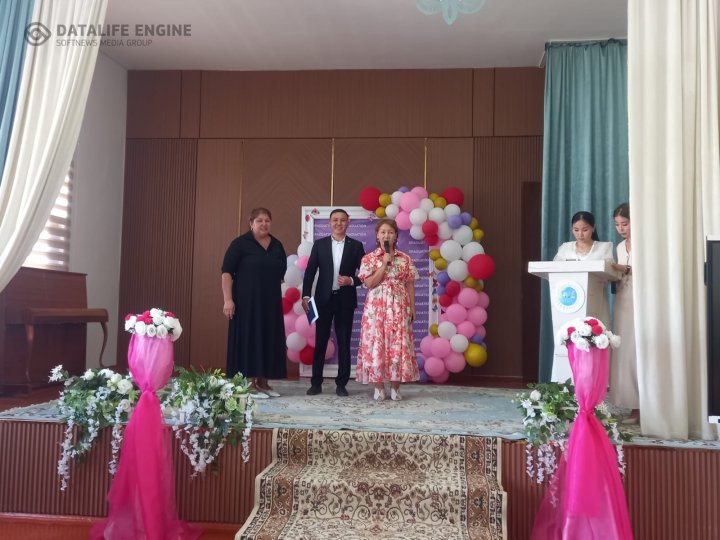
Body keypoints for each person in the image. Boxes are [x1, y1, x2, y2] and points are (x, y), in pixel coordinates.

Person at [221, 207, 287, 398]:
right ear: (251, 223)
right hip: (246, 303)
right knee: (250, 339)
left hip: (270, 303)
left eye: (267, 220)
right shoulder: (240, 244)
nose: (264, 224)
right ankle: (249, 384)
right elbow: (226, 273)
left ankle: (263, 383)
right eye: (259, 220)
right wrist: (228, 300)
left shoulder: (277, 245)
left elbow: (280, 272)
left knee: (269, 338)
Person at [302, 209, 365, 397]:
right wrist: (306, 296)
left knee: (344, 342)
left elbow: (365, 274)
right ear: (329, 223)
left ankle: (341, 384)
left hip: (345, 301)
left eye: (342, 220)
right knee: (320, 341)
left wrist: (351, 280)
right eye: (335, 220)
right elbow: (310, 272)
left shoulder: (356, 246)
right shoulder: (319, 244)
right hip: (323, 300)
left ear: (348, 223)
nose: (339, 223)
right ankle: (316, 383)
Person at [356, 218, 419, 402]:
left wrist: (412, 307)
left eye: (390, 232)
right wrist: (384, 263)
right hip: (376, 308)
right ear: (377, 236)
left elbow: (410, 284)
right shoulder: (368, 258)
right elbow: (369, 283)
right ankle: (378, 387)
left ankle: (395, 387)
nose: (386, 235)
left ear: (396, 236)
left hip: (399, 306)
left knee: (398, 345)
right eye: (383, 232)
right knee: (377, 344)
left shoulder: (405, 258)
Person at [552, 210, 615, 382]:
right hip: (569, 304)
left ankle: (596, 384)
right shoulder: (565, 248)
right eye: (576, 230)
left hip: (595, 301)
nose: (580, 234)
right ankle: (566, 381)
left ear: (593, 228)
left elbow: (610, 274)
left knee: (594, 342)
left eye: (585, 229)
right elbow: (555, 271)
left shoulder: (604, 247)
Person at [608, 203, 639, 423]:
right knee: (625, 350)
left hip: (641, 301)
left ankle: (645, 406)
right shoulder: (619, 247)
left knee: (638, 351)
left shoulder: (645, 243)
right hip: (623, 300)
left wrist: (626, 269)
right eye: (617, 224)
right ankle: (632, 404)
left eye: (625, 224)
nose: (621, 229)